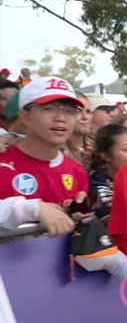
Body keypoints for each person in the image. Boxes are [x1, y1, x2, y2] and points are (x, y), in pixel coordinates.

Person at [0, 76, 88, 236]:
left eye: (69, 111)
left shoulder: (76, 171)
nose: (60, 118)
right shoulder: (3, 162)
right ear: (25, 116)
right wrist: (32, 209)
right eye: (48, 108)